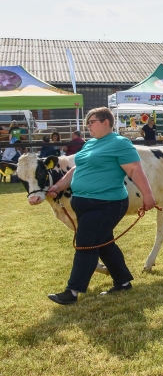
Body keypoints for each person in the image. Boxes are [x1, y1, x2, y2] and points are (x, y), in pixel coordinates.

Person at [45, 107, 156, 305]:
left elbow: (135, 170)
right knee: (104, 244)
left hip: (107, 204)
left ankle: (72, 292)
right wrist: (58, 186)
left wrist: (147, 195)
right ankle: (122, 282)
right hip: (85, 203)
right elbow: (78, 169)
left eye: (91, 122)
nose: (88, 126)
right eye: (87, 123)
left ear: (106, 122)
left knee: (86, 244)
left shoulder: (120, 143)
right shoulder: (90, 144)